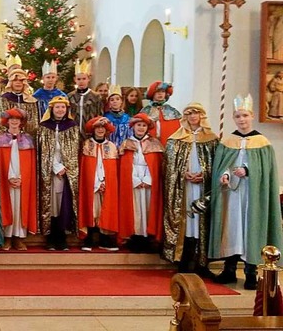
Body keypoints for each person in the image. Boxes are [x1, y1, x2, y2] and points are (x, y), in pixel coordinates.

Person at [208, 94, 283, 290]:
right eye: (238, 116)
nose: (241, 120)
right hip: (232, 194)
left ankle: (251, 272)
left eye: (245, 115)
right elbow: (222, 165)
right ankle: (229, 269)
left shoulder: (262, 142)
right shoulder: (228, 141)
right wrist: (224, 175)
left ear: (251, 116)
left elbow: (267, 171)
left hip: (252, 195)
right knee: (232, 229)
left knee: (251, 228)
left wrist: (248, 171)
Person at [163, 103, 218, 275]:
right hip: (184, 187)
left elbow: (218, 165)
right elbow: (169, 166)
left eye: (197, 113)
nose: (193, 116)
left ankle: (202, 264)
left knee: (201, 220)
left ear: (202, 116)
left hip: (202, 187)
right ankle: (184, 261)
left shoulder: (212, 139)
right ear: (185, 116)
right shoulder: (176, 139)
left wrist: (205, 175)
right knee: (187, 221)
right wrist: (182, 174)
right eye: (190, 113)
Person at [118, 113, 164, 253]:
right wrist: (136, 180)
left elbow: (156, 165)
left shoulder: (154, 143)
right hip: (133, 183)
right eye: (139, 125)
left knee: (148, 210)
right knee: (135, 210)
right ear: (133, 126)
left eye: (144, 125)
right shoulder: (127, 143)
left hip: (149, 183)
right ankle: (136, 237)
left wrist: (147, 180)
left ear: (147, 128)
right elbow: (125, 166)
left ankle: (148, 238)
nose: (141, 128)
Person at [38, 96, 79, 251]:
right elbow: (43, 152)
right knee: (51, 203)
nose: (60, 110)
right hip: (49, 171)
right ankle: (50, 236)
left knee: (63, 202)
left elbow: (73, 151)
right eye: (57, 107)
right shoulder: (44, 127)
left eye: (63, 107)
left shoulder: (72, 126)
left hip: (67, 172)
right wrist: (55, 167)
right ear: (51, 109)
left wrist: (67, 167)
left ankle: (62, 236)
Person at [0, 108, 37, 251]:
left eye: (17, 119)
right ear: (7, 121)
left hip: (22, 180)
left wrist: (23, 178)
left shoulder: (28, 140)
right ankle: (6, 238)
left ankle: (18, 238)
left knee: (19, 208)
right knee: (8, 207)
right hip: (6, 181)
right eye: (11, 119)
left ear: (21, 122)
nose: (14, 121)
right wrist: (7, 179)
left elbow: (30, 164)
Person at [78, 117, 119, 252]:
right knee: (91, 209)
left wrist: (106, 182)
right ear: (93, 130)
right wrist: (96, 183)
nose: (100, 130)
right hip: (91, 184)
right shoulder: (86, 145)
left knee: (104, 209)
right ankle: (88, 238)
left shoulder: (112, 147)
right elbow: (87, 169)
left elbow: (112, 169)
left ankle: (104, 239)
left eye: (103, 128)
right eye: (98, 127)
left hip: (106, 184)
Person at [0, 68, 39, 137]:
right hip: (8, 137)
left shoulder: (31, 101)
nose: (18, 82)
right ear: (11, 82)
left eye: (21, 80)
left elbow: (34, 121)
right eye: (15, 80)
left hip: (27, 139)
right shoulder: (5, 99)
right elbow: (1, 120)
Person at [67, 60, 103, 139]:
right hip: (73, 133)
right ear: (75, 79)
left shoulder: (96, 96)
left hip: (90, 132)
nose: (81, 81)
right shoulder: (70, 96)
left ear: (88, 79)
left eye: (84, 78)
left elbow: (99, 115)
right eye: (79, 79)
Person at [140, 81, 181, 146]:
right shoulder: (145, 111)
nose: (160, 94)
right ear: (152, 93)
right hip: (150, 146)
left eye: (163, 92)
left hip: (168, 145)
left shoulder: (172, 111)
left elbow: (177, 131)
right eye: (158, 92)